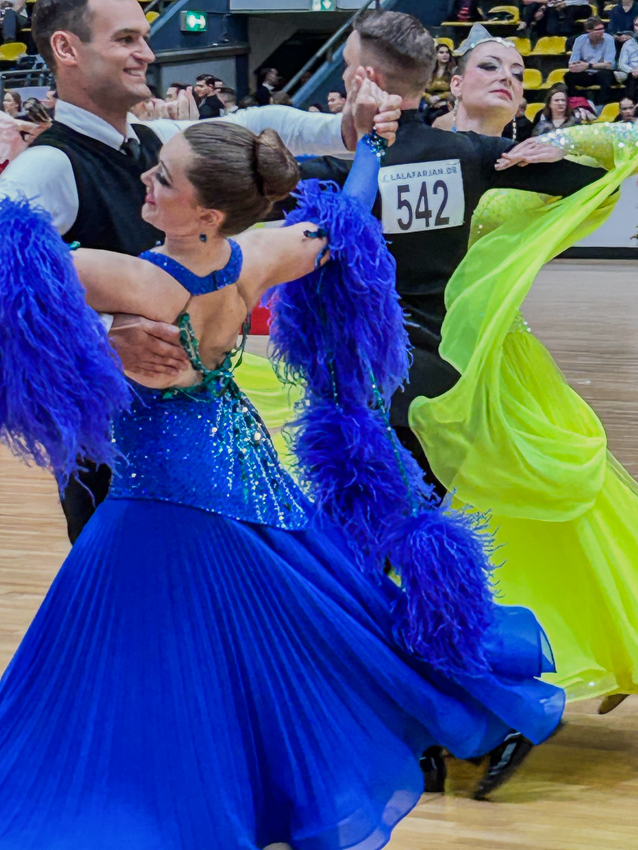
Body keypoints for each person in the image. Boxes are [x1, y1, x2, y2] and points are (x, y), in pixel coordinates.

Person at [0, 82, 566, 844]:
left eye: (163, 176)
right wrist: (370, 148)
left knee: (145, 655)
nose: (145, 180)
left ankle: (176, 801)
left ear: (206, 213)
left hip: (162, 496)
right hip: (243, 468)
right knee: (295, 625)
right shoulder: (255, 255)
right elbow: (345, 215)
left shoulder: (141, 280)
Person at [0, 0, 400, 544]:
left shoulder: (154, 145)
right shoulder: (47, 166)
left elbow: (251, 128)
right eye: (126, 39)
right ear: (66, 49)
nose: (147, 53)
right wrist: (101, 336)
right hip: (118, 463)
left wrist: (346, 129)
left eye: (145, 37)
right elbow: (13, 294)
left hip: (170, 467)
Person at [565, 17, 616, 105]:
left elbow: (609, 65)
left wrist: (589, 65)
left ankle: (602, 104)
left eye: (602, 28)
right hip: (586, 72)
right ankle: (580, 102)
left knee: (605, 75)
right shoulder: (580, 40)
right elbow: (572, 62)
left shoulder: (609, 39)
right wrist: (576, 66)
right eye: (598, 29)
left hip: (602, 72)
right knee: (569, 76)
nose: (602, 31)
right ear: (589, 30)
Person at [423, 42, 456, 111]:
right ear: (435, 55)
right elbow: (420, 90)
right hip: (429, 104)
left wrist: (439, 97)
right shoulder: (428, 71)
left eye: (447, 52)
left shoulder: (454, 71)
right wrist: (429, 98)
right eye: (441, 52)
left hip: (447, 105)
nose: (445, 55)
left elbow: (454, 92)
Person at [618, 16, 638, 98]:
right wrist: (632, 70)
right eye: (636, 25)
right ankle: (630, 103)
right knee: (631, 79)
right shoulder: (628, 44)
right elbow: (621, 64)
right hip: (633, 73)